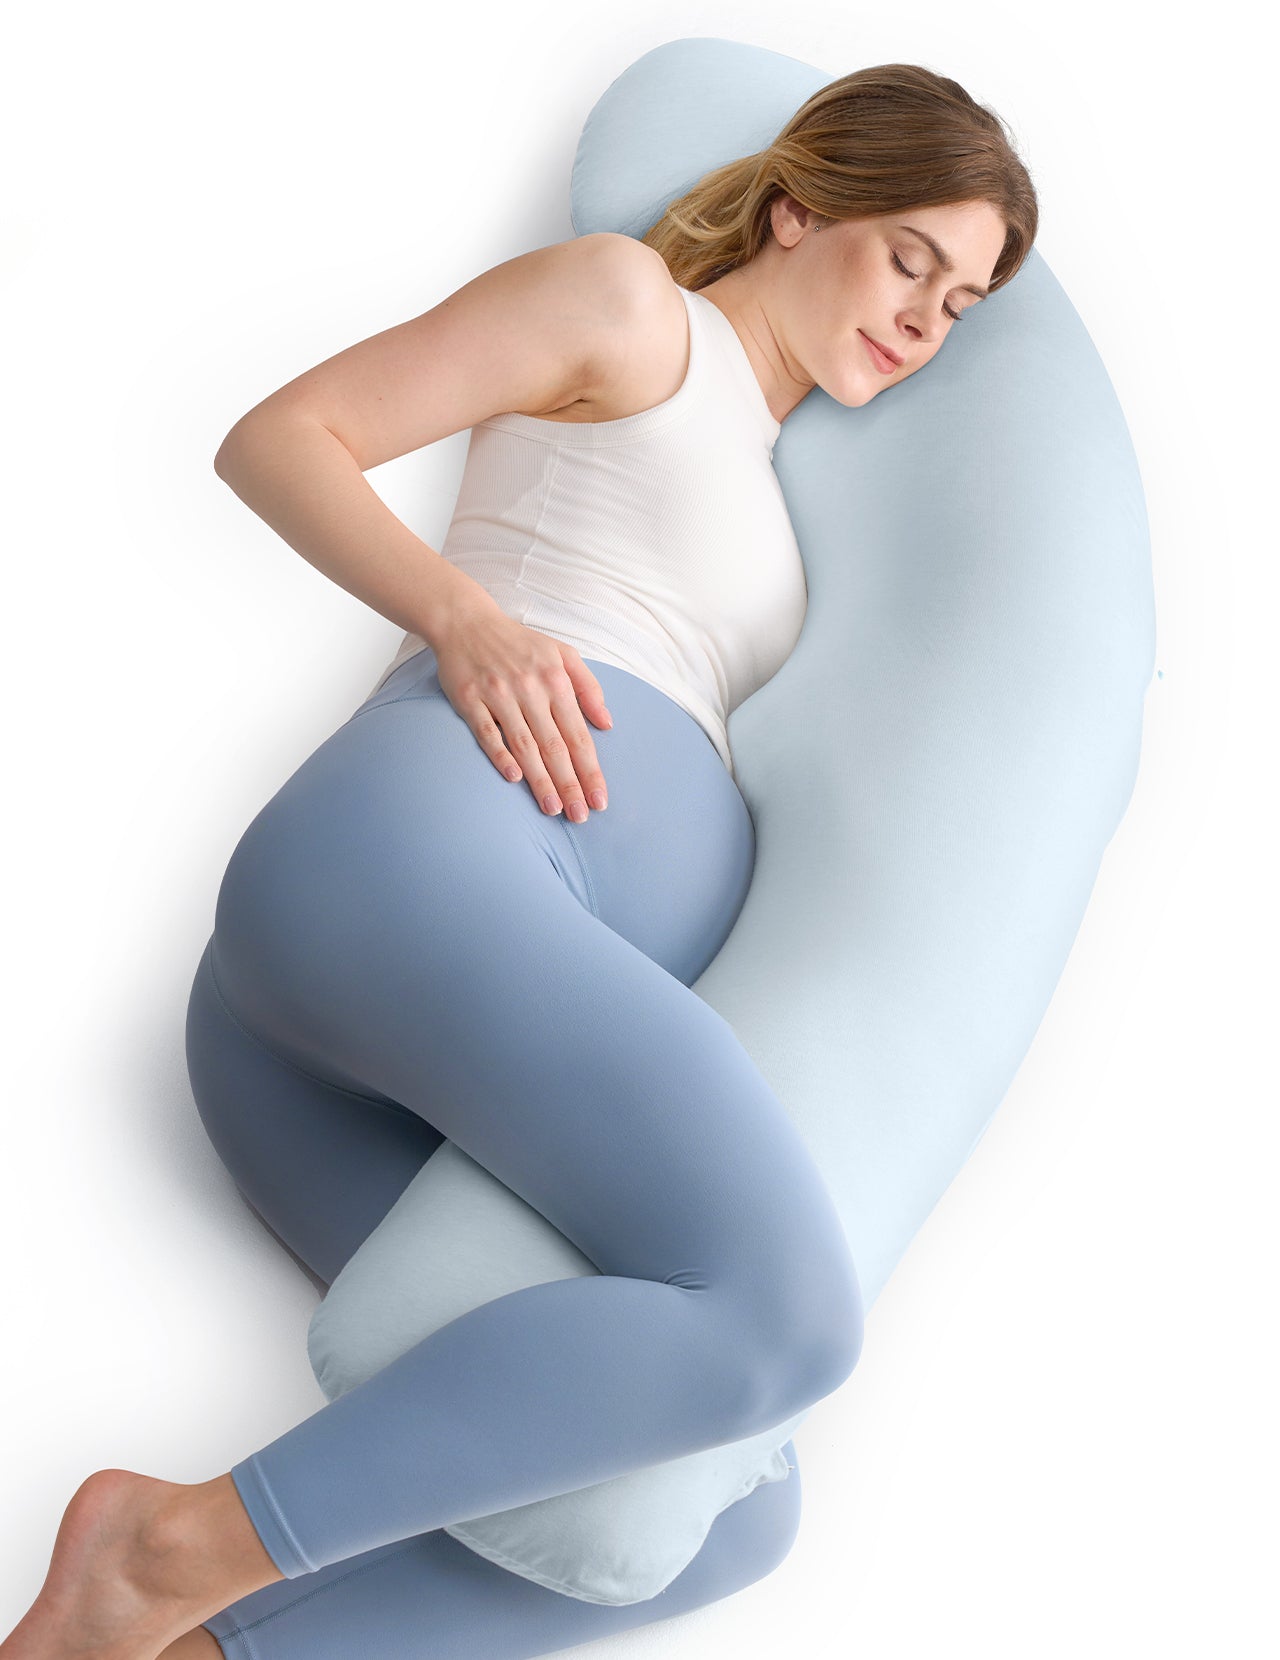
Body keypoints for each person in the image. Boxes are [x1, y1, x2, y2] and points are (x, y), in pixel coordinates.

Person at [0, 63, 1034, 1660]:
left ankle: (177, 1643)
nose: (924, 319)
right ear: (799, 208)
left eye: (961, 305)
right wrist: (464, 620)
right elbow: (282, 437)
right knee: (786, 1314)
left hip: (369, 1043)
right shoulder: (631, 310)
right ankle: (166, 1547)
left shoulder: (785, 502)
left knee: (711, 1515)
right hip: (407, 873)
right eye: (911, 259)